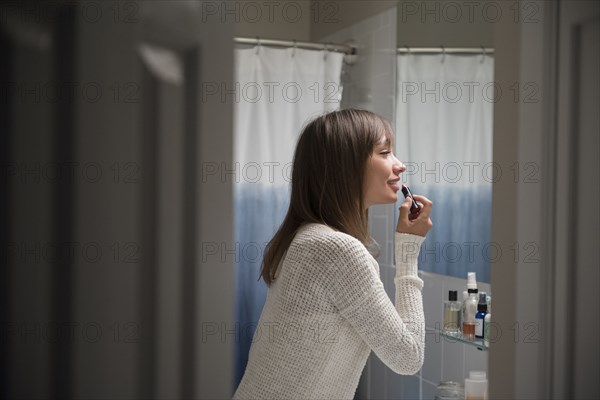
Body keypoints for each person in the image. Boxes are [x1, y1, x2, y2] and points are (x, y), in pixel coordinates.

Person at [233, 108, 433, 399]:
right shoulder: (337, 249)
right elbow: (408, 357)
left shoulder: (305, 236)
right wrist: (408, 250)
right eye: (385, 152)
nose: (399, 165)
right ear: (346, 166)